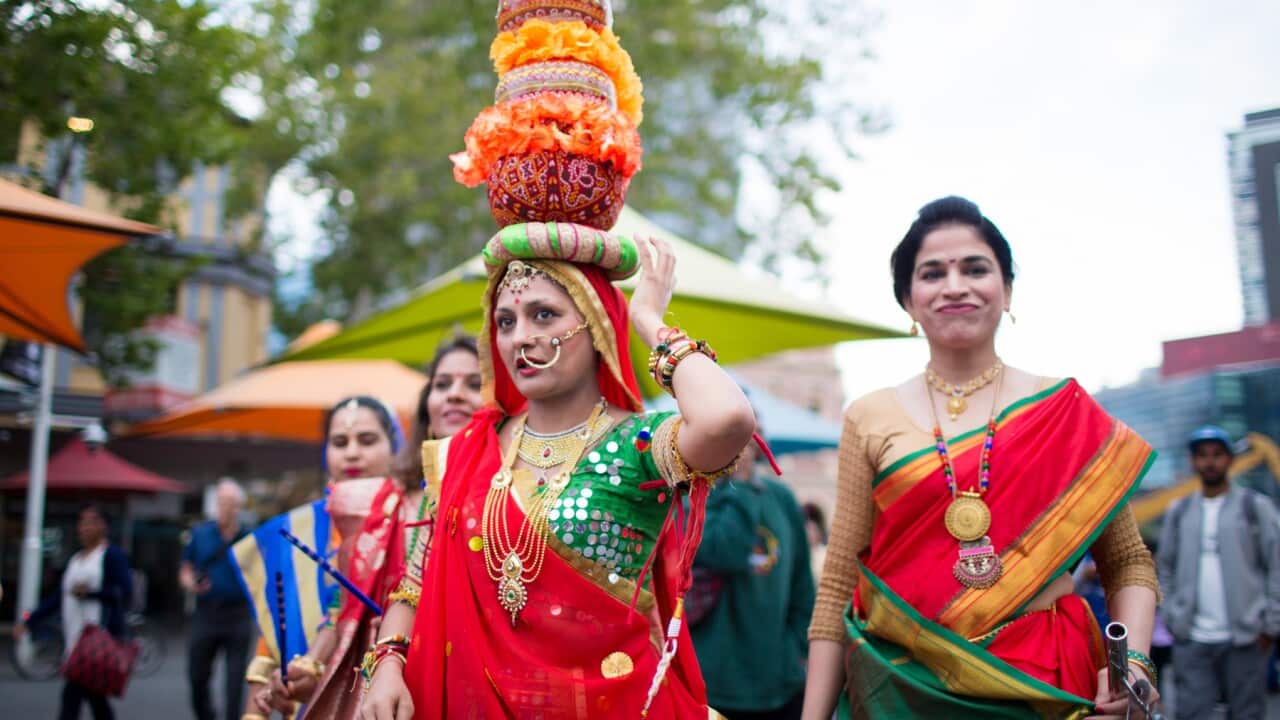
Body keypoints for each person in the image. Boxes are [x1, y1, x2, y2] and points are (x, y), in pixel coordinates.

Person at [357, 227, 756, 720]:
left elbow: (728, 419)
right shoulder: (466, 452)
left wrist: (648, 318)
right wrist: (389, 665)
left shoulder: (639, 445)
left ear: (595, 323)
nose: (521, 336)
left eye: (543, 315)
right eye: (505, 321)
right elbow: (413, 587)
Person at [801, 196, 1162, 720]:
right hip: (907, 686)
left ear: (1007, 289)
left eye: (975, 268)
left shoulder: (1064, 409)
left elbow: (1127, 560)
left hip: (1046, 684)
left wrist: (1132, 665)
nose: (954, 285)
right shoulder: (868, 416)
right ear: (907, 299)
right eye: (932, 273)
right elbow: (838, 582)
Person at [258, 339, 484, 720]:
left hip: (478, 669)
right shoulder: (385, 500)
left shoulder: (507, 493)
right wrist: (312, 663)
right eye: (442, 384)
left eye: (475, 384)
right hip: (384, 671)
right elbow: (344, 599)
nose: (455, 396)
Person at [237, 395, 406, 719]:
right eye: (340, 442)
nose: (352, 452)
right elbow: (273, 631)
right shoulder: (294, 531)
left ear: (394, 447)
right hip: (307, 700)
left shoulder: (418, 515)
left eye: (367, 440)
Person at [691, 425, 815, 719]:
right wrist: (741, 486)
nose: (742, 445)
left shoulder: (781, 498)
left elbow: (802, 585)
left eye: (750, 434)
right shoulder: (693, 495)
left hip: (779, 684)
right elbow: (726, 553)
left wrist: (794, 652)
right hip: (712, 687)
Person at [1157, 425, 1280, 720]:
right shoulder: (1179, 511)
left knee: (1247, 713)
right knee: (1192, 713)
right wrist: (1173, 617)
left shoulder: (1255, 507)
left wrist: (1270, 624)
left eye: (1217, 455)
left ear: (1230, 460)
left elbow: (1276, 565)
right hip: (1192, 640)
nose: (1209, 462)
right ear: (1192, 461)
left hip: (1246, 638)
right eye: (1201, 456)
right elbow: (1164, 567)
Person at [14, 504, 133, 720]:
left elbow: (124, 592)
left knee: (73, 698)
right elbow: (59, 597)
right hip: (74, 638)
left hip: (96, 641)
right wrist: (30, 621)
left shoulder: (111, 556)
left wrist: (91, 593)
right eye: (82, 522)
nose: (84, 527)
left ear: (103, 526)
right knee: (96, 700)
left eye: (91, 521)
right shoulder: (76, 560)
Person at [183, 478, 254, 720]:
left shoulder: (249, 538)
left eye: (232, 503)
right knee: (197, 676)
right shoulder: (200, 534)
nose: (226, 508)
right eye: (222, 502)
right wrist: (191, 583)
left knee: (235, 682)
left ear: (239, 507)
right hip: (206, 613)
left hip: (239, 615)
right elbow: (186, 568)